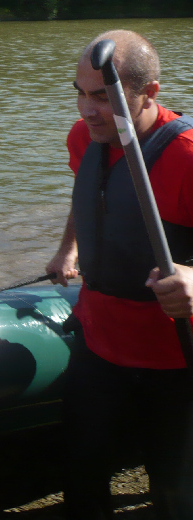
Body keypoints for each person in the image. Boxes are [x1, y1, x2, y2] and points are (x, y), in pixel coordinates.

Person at [46, 29, 193, 519]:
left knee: (173, 487)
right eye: (81, 94)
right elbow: (90, 195)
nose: (88, 110)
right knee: (81, 470)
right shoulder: (84, 137)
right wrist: (67, 250)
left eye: (102, 97)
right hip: (99, 342)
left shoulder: (187, 156)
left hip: (174, 360)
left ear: (149, 93)